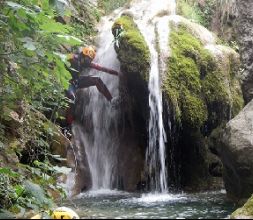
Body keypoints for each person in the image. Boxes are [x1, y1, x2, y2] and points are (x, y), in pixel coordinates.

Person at [64, 46, 120, 129]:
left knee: (97, 80)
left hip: (76, 81)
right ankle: (68, 125)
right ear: (83, 55)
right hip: (67, 82)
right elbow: (62, 60)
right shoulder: (73, 58)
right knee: (71, 98)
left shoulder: (86, 63)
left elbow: (102, 68)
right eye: (88, 59)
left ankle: (111, 100)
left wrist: (117, 73)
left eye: (90, 60)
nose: (89, 62)